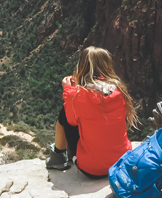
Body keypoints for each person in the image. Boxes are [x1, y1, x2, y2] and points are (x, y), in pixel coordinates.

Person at [46, 46, 138, 178]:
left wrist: (68, 90)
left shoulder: (76, 96)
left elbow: (71, 120)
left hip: (92, 170)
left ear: (82, 66)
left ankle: (58, 157)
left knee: (64, 113)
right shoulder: (119, 91)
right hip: (121, 162)